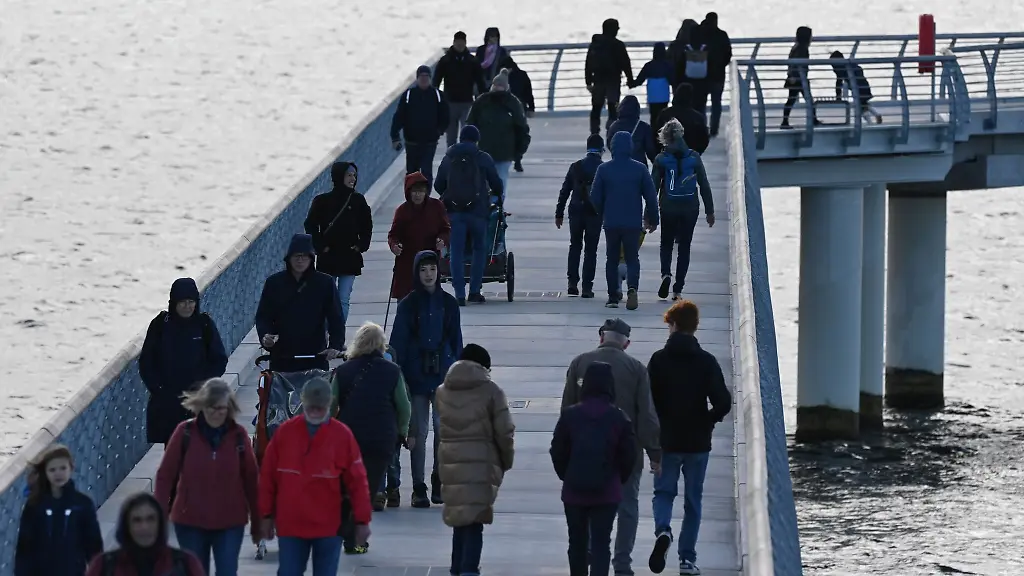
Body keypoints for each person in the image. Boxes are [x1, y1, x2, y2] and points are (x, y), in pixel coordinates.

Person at [562, 318, 662, 576]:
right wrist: (654, 452)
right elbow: (646, 416)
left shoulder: (579, 363)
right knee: (627, 507)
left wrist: (567, 454)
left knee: (588, 504)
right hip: (626, 454)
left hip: (585, 454)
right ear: (626, 343)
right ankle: (622, 564)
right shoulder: (637, 369)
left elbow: (567, 410)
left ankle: (590, 552)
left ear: (601, 337)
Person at [646, 300, 732, 576]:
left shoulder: (658, 360)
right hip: (697, 442)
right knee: (693, 501)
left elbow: (648, 404)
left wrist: (652, 436)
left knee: (663, 493)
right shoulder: (706, 361)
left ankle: (663, 531)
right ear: (694, 327)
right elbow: (723, 402)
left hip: (667, 441)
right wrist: (707, 420)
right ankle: (687, 560)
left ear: (673, 325)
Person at [258, 377, 372, 576]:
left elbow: (358, 482)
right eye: (311, 407)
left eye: (320, 408)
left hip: (328, 526)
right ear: (303, 402)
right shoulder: (285, 434)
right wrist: (265, 516)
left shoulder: (342, 436)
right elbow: (268, 478)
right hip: (291, 525)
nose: (315, 412)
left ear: (329, 404)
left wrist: (362, 521)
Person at [152, 378, 258, 576]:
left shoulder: (239, 436)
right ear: (201, 406)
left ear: (229, 408)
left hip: (230, 522)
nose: (216, 413)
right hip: (189, 521)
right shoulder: (184, 433)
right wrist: (159, 512)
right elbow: (165, 475)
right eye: (211, 407)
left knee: (227, 571)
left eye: (221, 408)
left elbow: (251, 479)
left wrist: (258, 519)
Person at [389, 250, 464, 507]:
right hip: (417, 376)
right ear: (416, 273)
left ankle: (438, 479)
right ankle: (418, 486)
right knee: (418, 432)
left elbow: (456, 340)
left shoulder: (449, 303)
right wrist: (397, 374)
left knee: (443, 430)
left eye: (432, 269)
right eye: (423, 270)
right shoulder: (408, 304)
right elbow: (397, 344)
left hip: (443, 375)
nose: (428, 274)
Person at [436, 344, 515, 576]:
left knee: (460, 520)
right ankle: (469, 570)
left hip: (450, 462)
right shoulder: (492, 391)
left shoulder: (443, 391)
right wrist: (506, 460)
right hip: (481, 464)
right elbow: (505, 432)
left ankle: (456, 568)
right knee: (474, 522)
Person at [551, 362, 636, 576]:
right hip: (607, 492)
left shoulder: (570, 415)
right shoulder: (619, 417)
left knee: (577, 542)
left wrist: (567, 475)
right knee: (601, 544)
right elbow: (629, 455)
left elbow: (557, 450)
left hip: (574, 491)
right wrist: (618, 479)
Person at [333, 321, 411, 551]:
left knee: (346, 487)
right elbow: (404, 407)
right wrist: (402, 432)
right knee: (367, 490)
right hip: (381, 439)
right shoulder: (392, 371)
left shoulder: (343, 371)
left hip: (348, 438)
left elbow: (330, 404)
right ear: (381, 345)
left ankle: (343, 532)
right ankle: (355, 540)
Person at [139, 277, 228, 445]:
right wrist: (159, 389)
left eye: (191, 302)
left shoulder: (204, 325)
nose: (187, 306)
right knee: (173, 448)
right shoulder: (160, 325)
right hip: (169, 402)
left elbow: (219, 360)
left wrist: (204, 384)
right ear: (174, 303)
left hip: (198, 400)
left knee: (199, 447)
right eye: (182, 302)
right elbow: (146, 362)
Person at [255, 233, 345, 373]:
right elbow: (263, 316)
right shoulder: (274, 283)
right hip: (282, 355)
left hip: (315, 354)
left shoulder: (325, 283)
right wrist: (265, 336)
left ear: (311, 259)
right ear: (289, 258)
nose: (300, 260)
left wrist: (335, 345)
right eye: (296, 256)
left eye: (304, 256)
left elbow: (336, 317)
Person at [589, 131, 659, 310]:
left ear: (612, 147)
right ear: (630, 147)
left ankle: (613, 297)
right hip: (632, 223)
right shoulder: (640, 169)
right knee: (632, 258)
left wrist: (601, 213)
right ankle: (632, 288)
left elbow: (594, 198)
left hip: (611, 222)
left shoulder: (604, 169)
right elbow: (651, 197)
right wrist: (654, 219)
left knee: (612, 259)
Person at [435, 125, 504, 306]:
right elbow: (497, 184)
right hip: (478, 213)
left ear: (461, 138)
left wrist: (451, 195)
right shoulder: (483, 157)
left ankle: (459, 294)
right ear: (476, 140)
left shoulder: (449, 157)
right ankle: (474, 291)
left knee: (455, 251)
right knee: (479, 249)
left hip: (455, 213)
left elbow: (438, 185)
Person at [651, 119, 715, 301]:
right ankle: (677, 289)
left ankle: (666, 274)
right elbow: (704, 184)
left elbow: (652, 188)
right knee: (684, 247)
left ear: (664, 138)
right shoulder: (694, 157)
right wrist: (709, 211)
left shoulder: (661, 159)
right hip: (690, 207)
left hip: (668, 207)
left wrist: (649, 214)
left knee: (666, 243)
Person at [16, 445, 103, 576]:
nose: (58, 474)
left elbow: (93, 544)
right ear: (45, 472)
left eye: (63, 468)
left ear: (71, 468)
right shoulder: (35, 505)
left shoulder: (83, 504)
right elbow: (24, 547)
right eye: (52, 470)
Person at [303, 161, 373, 324]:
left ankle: (337, 334)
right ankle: (327, 332)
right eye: (349, 175)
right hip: (328, 257)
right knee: (327, 298)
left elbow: (367, 225)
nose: (353, 179)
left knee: (343, 299)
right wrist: (321, 246)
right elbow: (310, 225)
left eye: (354, 175)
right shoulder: (322, 201)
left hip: (350, 256)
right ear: (338, 176)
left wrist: (361, 245)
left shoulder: (358, 200)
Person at [85, 492, 204, 576]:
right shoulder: (104, 566)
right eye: (137, 520)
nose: (145, 527)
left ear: (160, 523)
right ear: (126, 525)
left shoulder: (185, 564)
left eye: (150, 519)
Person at [466, 69, 531, 198]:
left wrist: (519, 150)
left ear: (506, 87)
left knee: (500, 180)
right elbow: (471, 124)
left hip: (504, 152)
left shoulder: (513, 103)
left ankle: (496, 206)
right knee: (485, 181)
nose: (498, 87)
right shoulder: (482, 101)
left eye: (500, 85)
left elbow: (522, 128)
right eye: (496, 85)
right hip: (485, 150)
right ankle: (489, 204)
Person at [388, 171, 451, 300]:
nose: (418, 195)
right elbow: (393, 234)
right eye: (414, 192)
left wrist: (442, 240)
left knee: (429, 298)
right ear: (408, 192)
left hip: (429, 260)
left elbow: (445, 229)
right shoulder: (402, 211)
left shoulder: (436, 206)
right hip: (407, 261)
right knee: (406, 299)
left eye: (421, 191)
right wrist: (395, 246)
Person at [556, 133, 604, 299]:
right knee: (591, 250)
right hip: (594, 213)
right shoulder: (603, 168)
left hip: (575, 210)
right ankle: (587, 287)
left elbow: (565, 191)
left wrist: (559, 213)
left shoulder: (575, 167)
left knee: (575, 245)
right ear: (601, 150)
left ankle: (572, 283)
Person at [391, 65, 449, 184]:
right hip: (412, 141)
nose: (424, 79)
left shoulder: (437, 95)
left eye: (426, 76)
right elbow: (399, 116)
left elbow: (445, 115)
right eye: (421, 76)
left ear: (430, 78)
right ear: (417, 78)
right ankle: (411, 193)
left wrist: (439, 131)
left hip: (430, 141)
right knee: (412, 172)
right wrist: (395, 136)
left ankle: (425, 194)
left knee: (426, 171)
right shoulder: (408, 95)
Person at [434, 31, 488, 149]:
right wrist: (435, 97)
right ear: (453, 43)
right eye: (458, 42)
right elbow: (436, 80)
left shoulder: (472, 61)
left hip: (467, 102)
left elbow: (480, 81)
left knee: (467, 132)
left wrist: (483, 97)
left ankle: (466, 154)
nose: (460, 45)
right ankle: (452, 155)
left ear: (465, 43)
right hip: (450, 102)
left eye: (462, 42)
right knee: (451, 136)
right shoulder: (445, 60)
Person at [585, 18, 634, 136]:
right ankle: (611, 132)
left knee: (596, 107)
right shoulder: (618, 45)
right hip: (614, 80)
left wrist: (588, 81)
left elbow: (588, 63)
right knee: (613, 108)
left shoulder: (595, 44)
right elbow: (626, 63)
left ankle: (594, 132)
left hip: (598, 80)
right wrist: (630, 79)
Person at [498, 54, 536, 173]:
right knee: (519, 134)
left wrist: (531, 107)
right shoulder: (522, 75)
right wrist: (531, 107)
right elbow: (528, 92)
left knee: (512, 135)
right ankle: (517, 159)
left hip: (509, 110)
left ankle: (513, 158)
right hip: (519, 109)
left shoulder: (501, 77)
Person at [699, 13, 733, 136]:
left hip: (702, 74)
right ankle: (714, 129)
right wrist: (721, 64)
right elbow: (728, 54)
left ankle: (702, 127)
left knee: (701, 103)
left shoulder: (701, 34)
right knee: (716, 103)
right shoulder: (722, 35)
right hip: (718, 74)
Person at [781, 26, 820, 129]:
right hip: (798, 78)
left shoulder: (796, 47)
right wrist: (794, 75)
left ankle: (785, 121)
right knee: (807, 99)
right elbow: (797, 63)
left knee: (792, 100)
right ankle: (813, 119)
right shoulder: (802, 49)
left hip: (796, 78)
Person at [668, 20, 709, 116]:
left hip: (678, 81)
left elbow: (669, 61)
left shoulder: (674, 46)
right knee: (700, 108)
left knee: (679, 107)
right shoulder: (700, 47)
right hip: (700, 82)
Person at [655, 83, 710, 154]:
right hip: (690, 154)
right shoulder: (697, 117)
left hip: (668, 153)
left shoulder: (665, 114)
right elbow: (704, 139)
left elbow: (656, 134)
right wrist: (695, 153)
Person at [830, 50, 883, 124]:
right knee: (863, 104)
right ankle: (876, 114)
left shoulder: (841, 68)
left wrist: (838, 95)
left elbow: (839, 82)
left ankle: (870, 122)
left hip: (856, 89)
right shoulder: (851, 64)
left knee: (860, 107)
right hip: (864, 85)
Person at [606, 95, 658, 167]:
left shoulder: (613, 126)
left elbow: (610, 145)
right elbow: (650, 149)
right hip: (639, 165)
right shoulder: (643, 127)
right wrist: (656, 164)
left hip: (619, 165)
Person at [630, 42, 674, 126]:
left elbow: (639, 80)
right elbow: (672, 81)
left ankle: (653, 132)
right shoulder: (667, 65)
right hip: (664, 95)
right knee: (663, 117)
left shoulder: (648, 65)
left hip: (652, 96)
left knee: (653, 117)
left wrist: (631, 83)